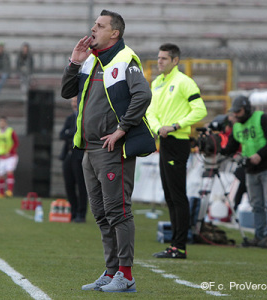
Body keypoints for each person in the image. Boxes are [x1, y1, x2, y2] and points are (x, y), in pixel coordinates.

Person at [61, 9, 155, 293]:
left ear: (115, 32)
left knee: (119, 212)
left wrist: (122, 129)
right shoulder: (91, 60)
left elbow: (143, 95)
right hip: (89, 149)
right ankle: (111, 270)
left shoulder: (126, 60)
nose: (93, 29)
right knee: (101, 214)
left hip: (113, 149)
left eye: (100, 26)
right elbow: (67, 92)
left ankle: (125, 276)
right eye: (94, 24)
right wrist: (74, 62)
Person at [146, 43, 207, 259]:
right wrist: (157, 128)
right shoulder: (157, 83)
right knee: (170, 195)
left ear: (175, 61)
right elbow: (150, 111)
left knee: (177, 195)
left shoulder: (184, 82)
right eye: (159, 57)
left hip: (178, 142)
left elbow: (200, 109)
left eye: (164, 58)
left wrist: (174, 126)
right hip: (164, 142)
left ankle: (180, 246)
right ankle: (174, 245)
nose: (159, 61)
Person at [222, 95, 267, 249]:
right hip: (250, 170)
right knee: (256, 205)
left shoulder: (262, 118)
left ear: (246, 109)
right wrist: (215, 146)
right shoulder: (236, 126)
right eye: (235, 112)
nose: (236, 115)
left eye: (238, 111)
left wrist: (260, 155)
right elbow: (230, 148)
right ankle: (259, 236)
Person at [59, 96, 88, 223]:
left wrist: (69, 132)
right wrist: (72, 132)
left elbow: (80, 134)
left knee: (81, 185)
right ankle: (73, 211)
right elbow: (62, 134)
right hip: (69, 154)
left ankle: (81, 213)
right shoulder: (70, 118)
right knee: (69, 184)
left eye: (76, 101)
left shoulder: (85, 118)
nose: (74, 104)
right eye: (73, 101)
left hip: (80, 155)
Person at [0, 116, 19, 198]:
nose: (2, 123)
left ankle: (9, 191)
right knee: (0, 174)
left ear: (6, 123)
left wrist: (10, 151)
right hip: (1, 156)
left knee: (9, 171)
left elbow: (16, 142)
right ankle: (1, 193)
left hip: (11, 156)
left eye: (3, 122)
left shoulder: (10, 131)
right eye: (0, 122)